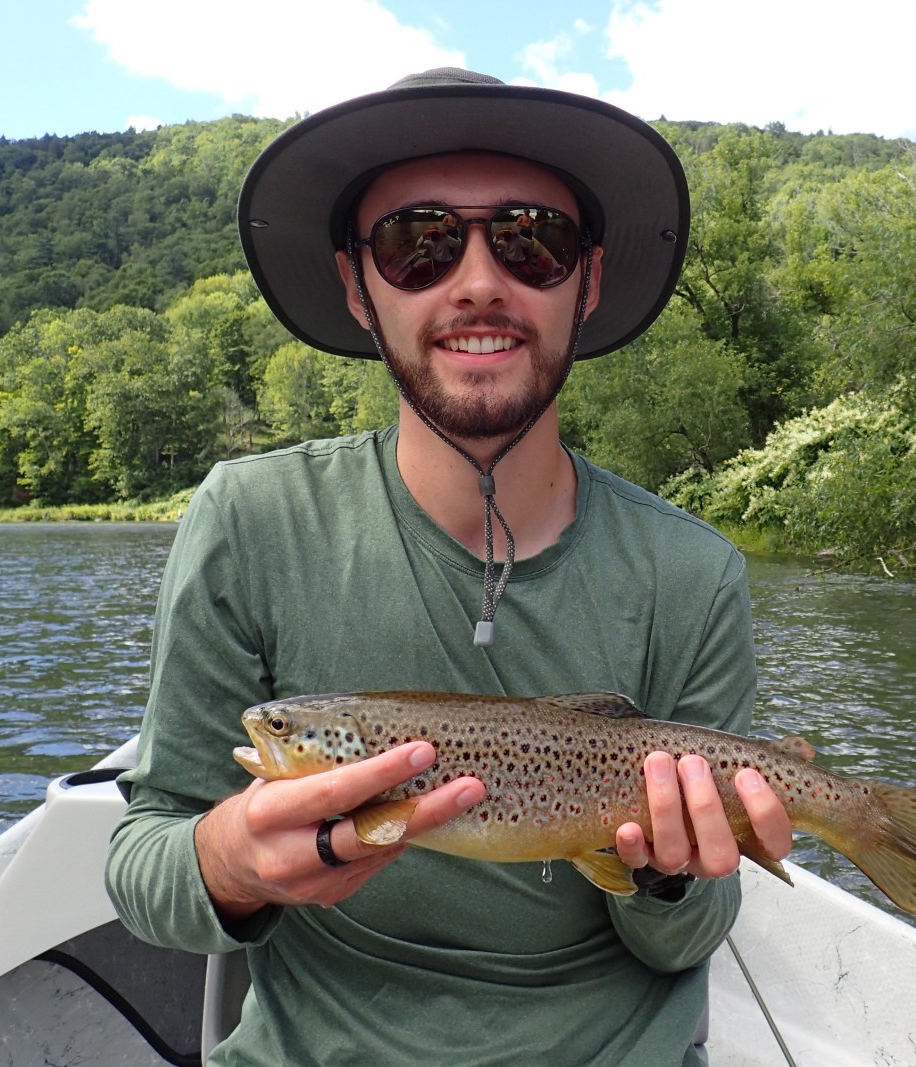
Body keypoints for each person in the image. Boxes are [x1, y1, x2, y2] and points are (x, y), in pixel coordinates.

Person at [104, 67, 793, 1067]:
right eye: (416, 242)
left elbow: (687, 938)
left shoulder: (692, 573)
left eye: (531, 241)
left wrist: (671, 876)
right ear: (357, 284)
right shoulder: (249, 522)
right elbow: (144, 864)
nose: (478, 280)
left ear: (587, 280)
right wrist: (227, 856)